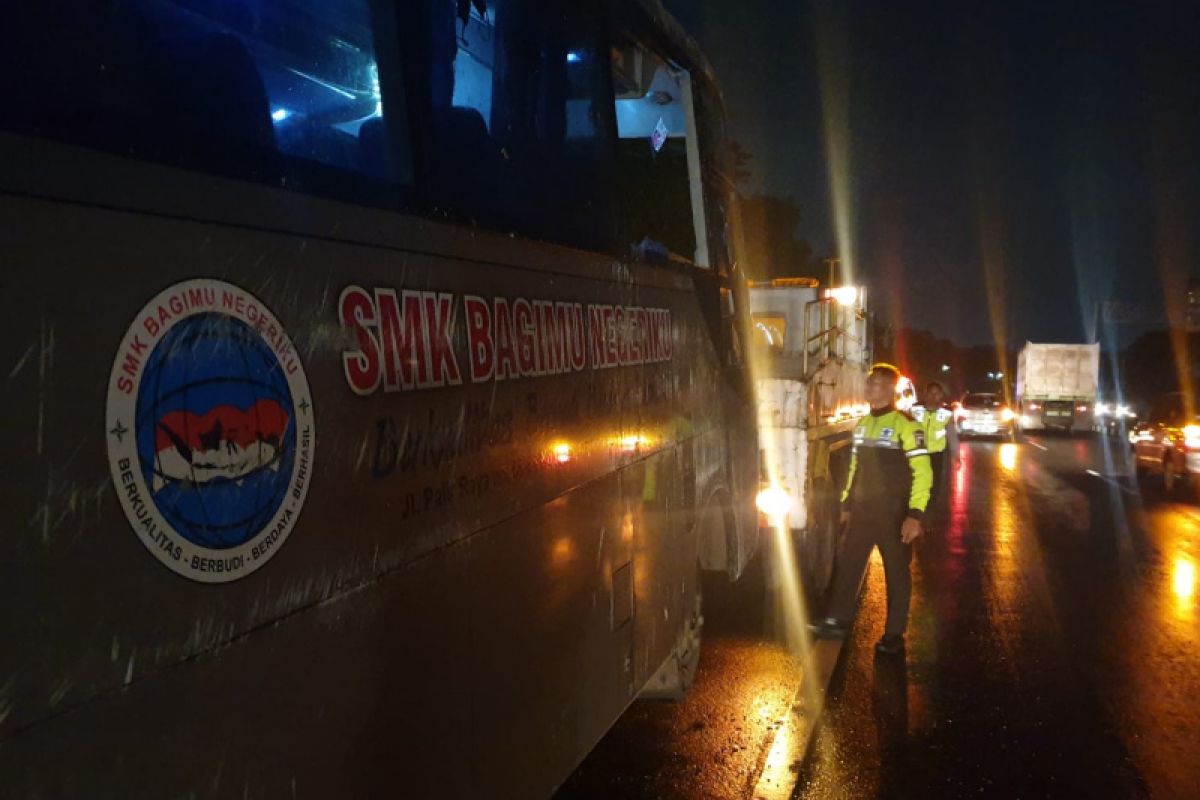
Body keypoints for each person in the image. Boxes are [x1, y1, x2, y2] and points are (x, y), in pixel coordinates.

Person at [810, 363, 932, 655]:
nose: (869, 387)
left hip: (895, 515)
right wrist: (847, 504)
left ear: (890, 390)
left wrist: (915, 515)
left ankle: (893, 635)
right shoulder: (863, 424)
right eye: (868, 382)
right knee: (849, 566)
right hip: (863, 513)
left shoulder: (906, 425)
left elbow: (923, 472)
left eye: (876, 383)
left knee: (897, 574)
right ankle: (837, 620)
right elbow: (853, 468)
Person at [911, 381, 960, 526]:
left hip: (935, 456)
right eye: (931, 393)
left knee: (933, 487)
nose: (934, 397)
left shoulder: (946, 414)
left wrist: (956, 455)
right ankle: (913, 516)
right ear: (925, 394)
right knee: (915, 485)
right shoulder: (913, 411)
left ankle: (928, 518)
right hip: (916, 455)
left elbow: (952, 436)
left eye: (938, 393)